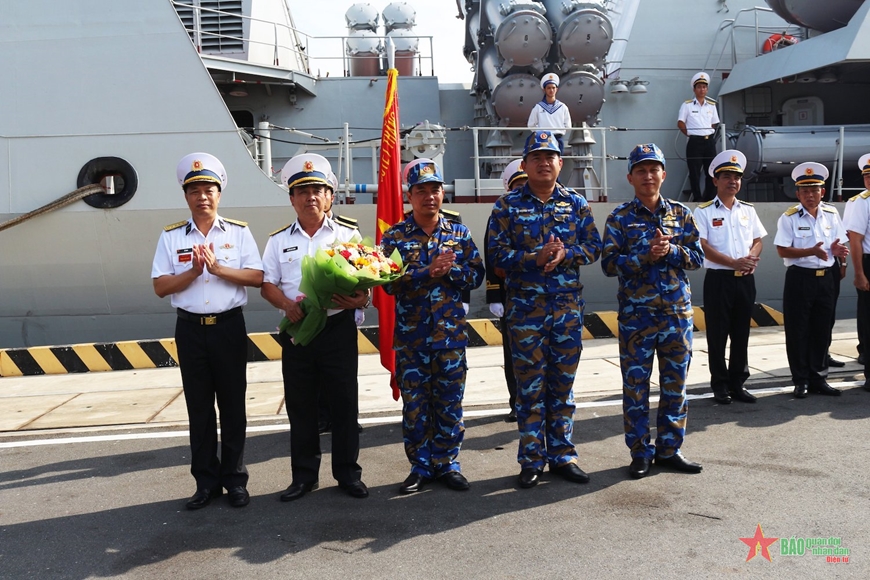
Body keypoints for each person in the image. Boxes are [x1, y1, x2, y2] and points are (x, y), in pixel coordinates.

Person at [487, 131, 602, 489]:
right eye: (536, 157)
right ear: (524, 165)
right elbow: (496, 256)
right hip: (526, 312)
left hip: (567, 309)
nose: (543, 162)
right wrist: (531, 258)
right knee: (530, 387)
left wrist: (568, 253)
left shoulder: (577, 204)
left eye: (550, 156)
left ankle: (563, 455)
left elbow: (593, 247)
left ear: (560, 163)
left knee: (563, 385)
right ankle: (532, 458)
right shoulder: (506, 207)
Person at [151, 152, 264, 510]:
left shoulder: (239, 232)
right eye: (195, 190)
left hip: (229, 327)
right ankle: (205, 483)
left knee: (233, 407)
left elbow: (257, 277)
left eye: (209, 189)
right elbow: (160, 286)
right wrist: (193, 272)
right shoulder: (171, 237)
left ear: (219, 193)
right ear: (186, 196)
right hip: (190, 329)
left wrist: (218, 270)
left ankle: (235, 480)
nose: (202, 196)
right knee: (199, 409)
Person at [260, 153, 370, 501]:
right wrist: (285, 305)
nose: (310, 197)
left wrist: (361, 300)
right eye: (302, 191)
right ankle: (304, 477)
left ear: (330, 196)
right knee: (301, 405)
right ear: (291, 199)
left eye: (317, 190)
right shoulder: (278, 241)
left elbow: (366, 278)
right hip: (297, 330)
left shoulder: (348, 234)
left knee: (344, 403)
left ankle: (348, 474)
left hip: (337, 330)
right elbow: (267, 284)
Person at [380, 159, 485, 495]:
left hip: (450, 338)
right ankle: (420, 466)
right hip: (412, 339)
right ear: (409, 195)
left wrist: (449, 272)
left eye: (435, 190)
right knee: (415, 408)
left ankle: (448, 463)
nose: (429, 197)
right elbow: (387, 283)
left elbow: (476, 275)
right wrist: (427, 270)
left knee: (450, 404)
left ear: (443, 193)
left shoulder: (459, 232)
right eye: (421, 191)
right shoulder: (394, 236)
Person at [601, 143, 704, 480]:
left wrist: (671, 250)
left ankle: (670, 449)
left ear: (663, 173)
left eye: (653, 169)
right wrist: (644, 255)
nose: (648, 176)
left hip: (676, 315)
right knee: (636, 387)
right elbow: (609, 264)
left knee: (676, 385)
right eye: (641, 170)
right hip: (637, 318)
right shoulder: (619, 218)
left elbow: (698, 258)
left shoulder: (682, 214)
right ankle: (640, 452)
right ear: (630, 177)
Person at [694, 150, 766, 404]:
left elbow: (758, 240)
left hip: (745, 279)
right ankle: (720, 385)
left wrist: (750, 259)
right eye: (726, 176)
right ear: (715, 181)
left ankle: (738, 382)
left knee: (741, 332)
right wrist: (733, 262)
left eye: (736, 177)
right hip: (719, 280)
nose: (732, 181)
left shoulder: (748, 210)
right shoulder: (703, 212)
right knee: (717, 333)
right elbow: (701, 245)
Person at [774, 162, 849, 399]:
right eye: (804, 191)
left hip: (827, 277)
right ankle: (801, 380)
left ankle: (819, 377)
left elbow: (838, 244)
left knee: (822, 329)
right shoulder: (789, 217)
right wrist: (810, 252)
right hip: (800, 278)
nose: (810, 195)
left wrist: (839, 255)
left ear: (822, 192)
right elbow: (783, 251)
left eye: (814, 190)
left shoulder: (831, 213)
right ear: (797, 194)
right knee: (798, 330)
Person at [486, 159, 527, 423]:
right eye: (517, 185)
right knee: (513, 354)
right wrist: (494, 295)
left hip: (541, 295)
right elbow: (491, 256)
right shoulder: (500, 213)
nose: (521, 189)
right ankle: (516, 402)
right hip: (510, 296)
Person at [842, 153, 870, 391]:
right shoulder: (861, 202)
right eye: (867, 176)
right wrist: (859, 273)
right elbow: (856, 241)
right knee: (869, 317)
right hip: (869, 262)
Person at [677, 72, 719, 202]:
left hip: (709, 141)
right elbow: (680, 122)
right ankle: (697, 197)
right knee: (694, 171)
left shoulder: (711, 106)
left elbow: (714, 122)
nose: (702, 89)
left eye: (704, 87)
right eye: (699, 87)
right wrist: (690, 134)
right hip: (695, 142)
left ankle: (710, 197)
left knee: (711, 171)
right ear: (694, 89)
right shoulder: (687, 105)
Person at [527, 73, 572, 154]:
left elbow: (568, 125)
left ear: (556, 89)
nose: (551, 90)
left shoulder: (562, 107)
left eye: (553, 88)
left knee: (557, 161)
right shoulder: (538, 107)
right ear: (544, 90)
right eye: (548, 88)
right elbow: (531, 124)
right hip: (543, 138)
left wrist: (559, 131)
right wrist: (540, 131)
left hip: (558, 137)